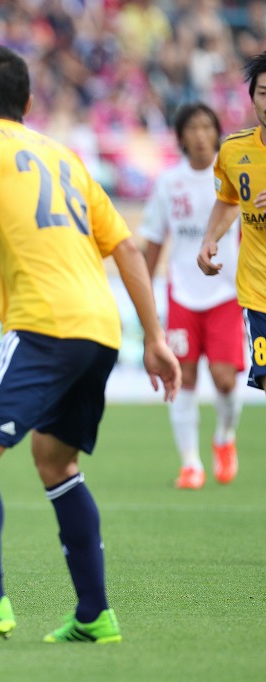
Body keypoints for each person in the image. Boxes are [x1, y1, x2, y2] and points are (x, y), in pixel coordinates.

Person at [0, 45, 180, 646]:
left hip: (43, 325)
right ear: (29, 104)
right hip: (100, 330)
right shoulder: (66, 156)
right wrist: (156, 338)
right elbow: (128, 250)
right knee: (57, 464)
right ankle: (94, 615)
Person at [141, 103, 244, 490]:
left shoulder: (232, 174)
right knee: (182, 377)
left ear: (217, 133)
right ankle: (190, 463)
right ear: (181, 136)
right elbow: (152, 243)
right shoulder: (169, 183)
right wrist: (145, 298)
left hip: (226, 292)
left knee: (224, 380)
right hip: (182, 292)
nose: (201, 134)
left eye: (207, 126)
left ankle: (224, 438)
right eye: (193, 128)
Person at [198, 51, 266, 461]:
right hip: (260, 294)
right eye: (263, 92)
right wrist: (211, 240)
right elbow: (228, 201)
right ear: (253, 97)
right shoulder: (235, 151)